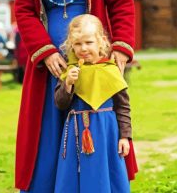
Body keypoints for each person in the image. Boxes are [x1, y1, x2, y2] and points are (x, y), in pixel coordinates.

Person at [14, 0, 136, 191]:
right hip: (51, 64)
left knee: (93, 119)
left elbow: (122, 3)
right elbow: (24, 11)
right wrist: (44, 52)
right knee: (49, 125)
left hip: (92, 57)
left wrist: (119, 48)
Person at [54, 14, 134, 192]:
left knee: (104, 173)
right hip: (77, 130)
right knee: (75, 174)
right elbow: (60, 104)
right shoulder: (70, 71)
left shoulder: (111, 71)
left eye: (89, 42)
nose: (83, 48)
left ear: (101, 42)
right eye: (77, 44)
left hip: (106, 131)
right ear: (71, 45)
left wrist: (124, 136)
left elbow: (123, 107)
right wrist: (68, 84)